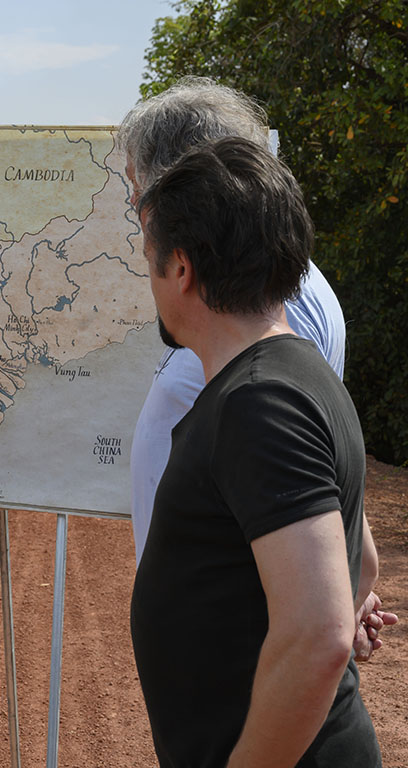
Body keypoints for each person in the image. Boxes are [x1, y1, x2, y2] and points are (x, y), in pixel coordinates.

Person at [118, 77, 396, 661]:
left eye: (140, 196)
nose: (139, 219)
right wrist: (347, 592)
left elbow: (311, 633)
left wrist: (332, 615)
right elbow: (325, 499)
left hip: (236, 658)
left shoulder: (251, 353)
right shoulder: (279, 298)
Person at [130, 136, 381, 767]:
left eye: (150, 260)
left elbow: (320, 635)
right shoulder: (294, 374)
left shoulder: (258, 402)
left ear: (181, 269)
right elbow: (364, 561)